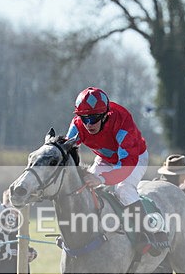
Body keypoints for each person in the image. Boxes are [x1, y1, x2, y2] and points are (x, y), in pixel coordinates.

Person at [66, 86, 167, 256]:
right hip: (106, 158)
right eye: (85, 118)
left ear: (106, 114)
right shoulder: (78, 125)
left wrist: (103, 179)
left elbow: (126, 163)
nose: (90, 124)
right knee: (84, 187)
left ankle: (149, 233)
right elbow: (67, 150)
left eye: (95, 117)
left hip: (134, 158)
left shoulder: (122, 121)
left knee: (123, 190)